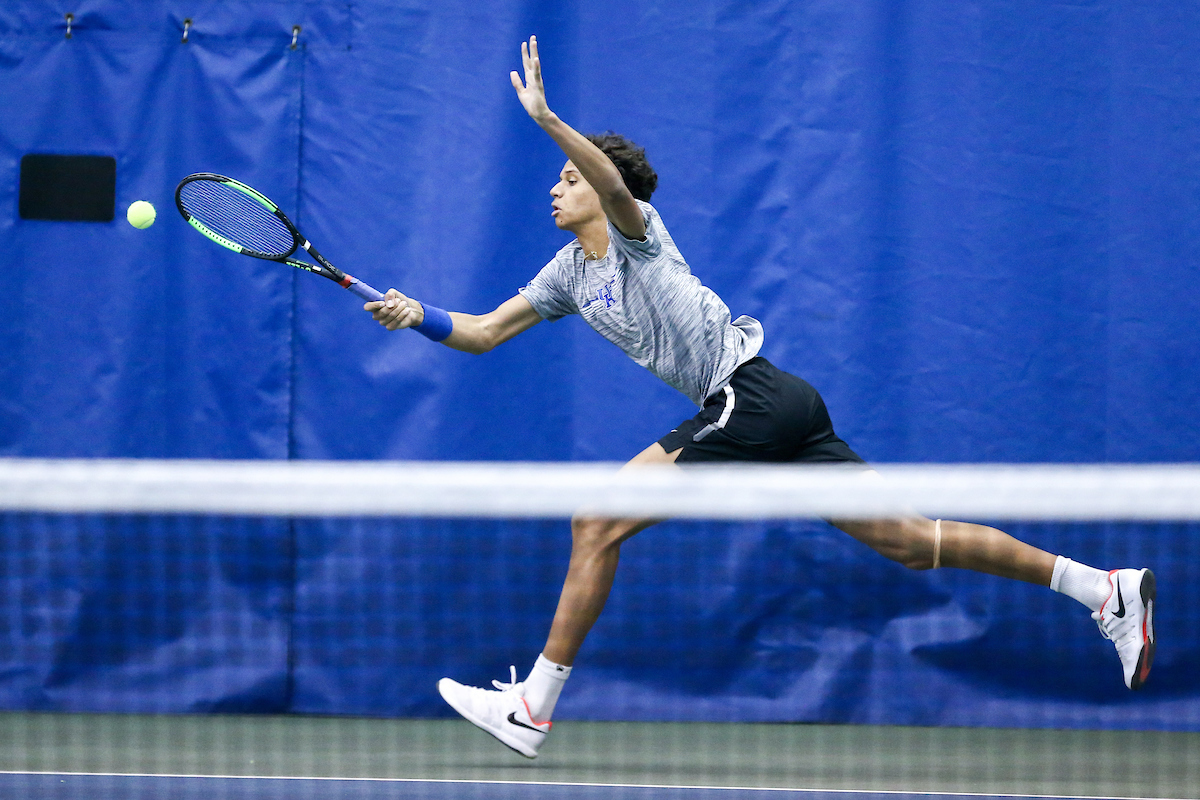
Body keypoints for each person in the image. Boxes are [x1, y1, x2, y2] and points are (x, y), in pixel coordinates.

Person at [365, 36, 1156, 758]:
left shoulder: (639, 232)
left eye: (567, 178)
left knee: (595, 519)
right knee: (913, 542)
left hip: (748, 398)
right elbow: (482, 332)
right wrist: (418, 318)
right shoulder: (567, 274)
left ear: (602, 193)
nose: (556, 187)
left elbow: (606, 177)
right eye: (559, 177)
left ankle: (533, 708)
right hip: (773, 406)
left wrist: (547, 119)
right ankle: (1102, 588)